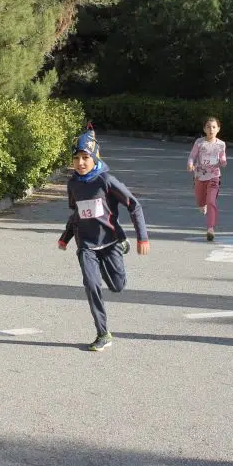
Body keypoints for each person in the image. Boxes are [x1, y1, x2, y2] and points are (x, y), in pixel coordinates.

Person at [58, 127, 149, 351]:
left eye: (85, 157)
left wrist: (142, 237)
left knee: (118, 286)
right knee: (91, 285)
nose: (80, 163)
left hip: (110, 241)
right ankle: (102, 333)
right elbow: (77, 213)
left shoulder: (106, 180)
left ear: (95, 157)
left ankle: (123, 241)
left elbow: (134, 205)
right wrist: (66, 237)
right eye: (76, 158)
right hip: (86, 244)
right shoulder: (73, 184)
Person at [187, 116, 227, 242]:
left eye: (214, 127)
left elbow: (223, 157)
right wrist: (190, 164)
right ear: (204, 129)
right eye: (208, 127)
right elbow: (192, 156)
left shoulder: (221, 144)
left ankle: (210, 228)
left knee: (211, 201)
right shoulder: (199, 142)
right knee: (200, 201)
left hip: (214, 176)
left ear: (218, 129)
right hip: (200, 176)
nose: (211, 129)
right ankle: (201, 204)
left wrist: (223, 161)